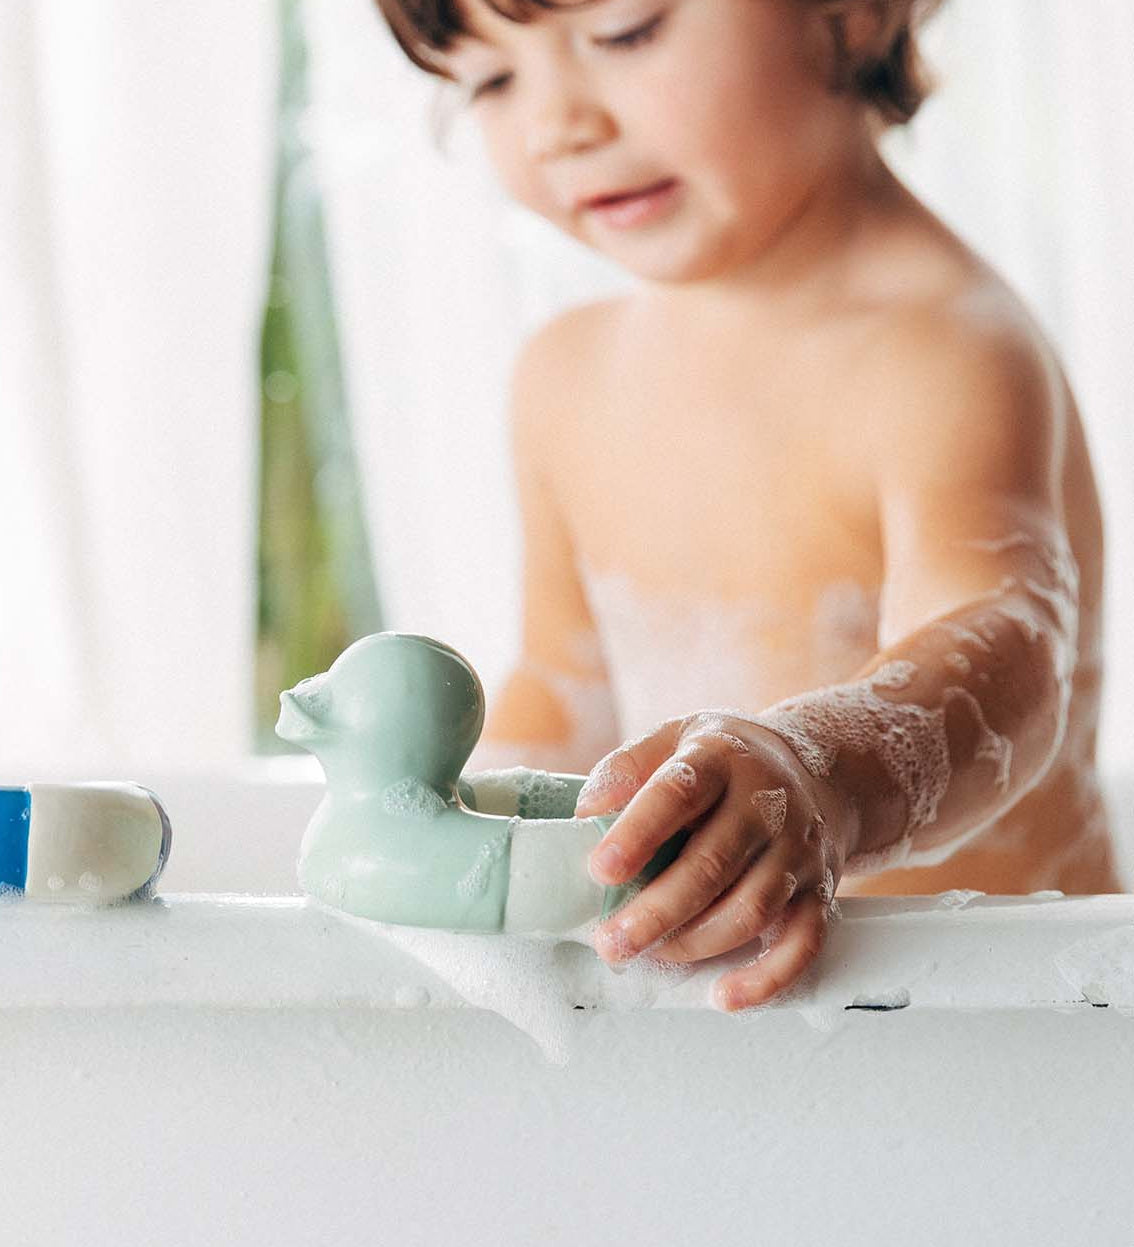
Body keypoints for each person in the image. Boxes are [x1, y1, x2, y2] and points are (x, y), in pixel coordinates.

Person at [374, 0, 1124, 1009]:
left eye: (626, 33)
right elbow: (561, 696)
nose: (558, 126)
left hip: (1001, 1031)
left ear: (852, 13)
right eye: (489, 81)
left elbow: (1009, 643)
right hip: (738, 1046)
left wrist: (820, 775)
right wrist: (445, 825)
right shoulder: (565, 377)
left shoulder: (941, 349)